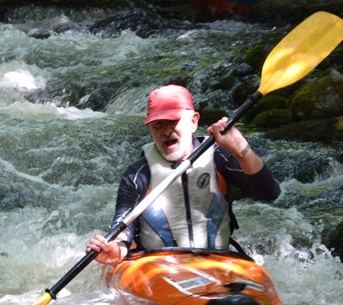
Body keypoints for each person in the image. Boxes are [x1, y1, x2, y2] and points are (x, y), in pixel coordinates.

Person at [86, 85, 281, 264]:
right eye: (158, 125)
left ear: (193, 122)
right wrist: (115, 249)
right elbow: (123, 230)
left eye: (172, 122)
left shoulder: (219, 157)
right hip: (158, 267)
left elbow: (269, 192)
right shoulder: (139, 174)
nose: (166, 131)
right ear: (150, 130)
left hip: (217, 262)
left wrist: (241, 149)